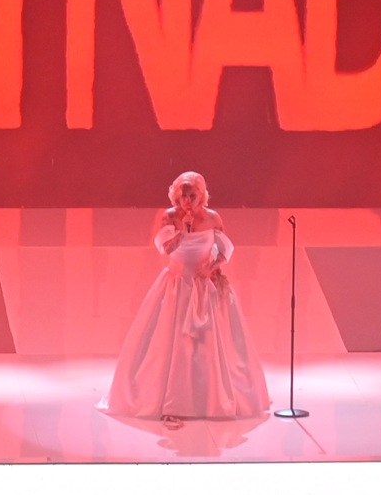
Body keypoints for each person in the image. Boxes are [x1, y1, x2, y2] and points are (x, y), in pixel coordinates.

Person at [103, 172, 271, 423]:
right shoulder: (169, 216)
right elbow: (164, 249)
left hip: (204, 287)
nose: (187, 201)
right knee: (173, 342)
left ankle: (209, 398)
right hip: (176, 286)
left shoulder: (213, 218)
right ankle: (173, 398)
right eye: (183, 196)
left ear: (201, 195)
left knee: (207, 343)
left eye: (192, 196)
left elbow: (224, 251)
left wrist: (211, 268)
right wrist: (181, 233)